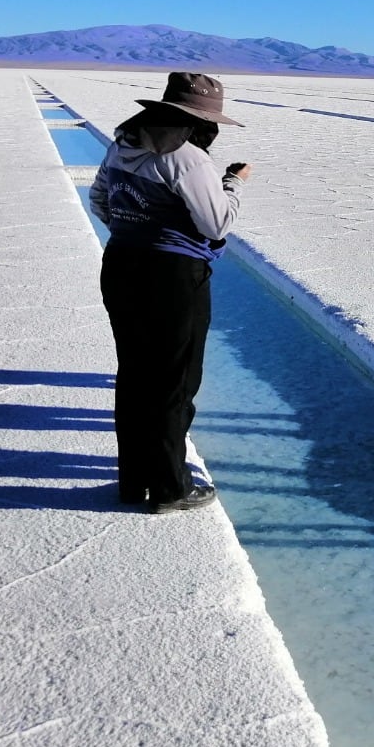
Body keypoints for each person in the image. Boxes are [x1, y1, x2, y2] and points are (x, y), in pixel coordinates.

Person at [89, 72, 249, 514]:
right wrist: (232, 186)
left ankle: (134, 480)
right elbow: (215, 223)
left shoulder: (124, 142)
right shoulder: (188, 157)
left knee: (136, 374)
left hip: (121, 264)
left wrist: (134, 234)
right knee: (174, 382)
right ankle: (170, 487)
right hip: (173, 275)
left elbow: (100, 199)